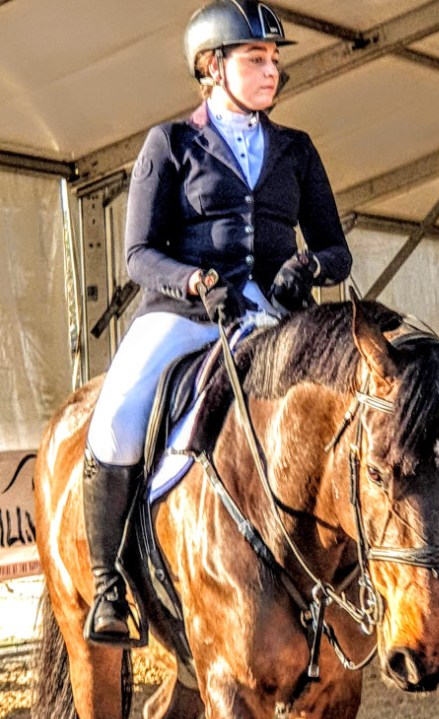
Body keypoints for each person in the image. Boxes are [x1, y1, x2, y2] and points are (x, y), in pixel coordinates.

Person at [83, 0, 352, 645]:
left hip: (277, 319)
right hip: (188, 314)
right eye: (255, 59)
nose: (271, 72)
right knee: (117, 419)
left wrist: (307, 267)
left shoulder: (297, 149)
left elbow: (337, 248)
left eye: (276, 61)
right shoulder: (170, 144)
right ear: (212, 67)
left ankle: (358, 571)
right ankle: (109, 586)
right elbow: (137, 255)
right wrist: (193, 280)